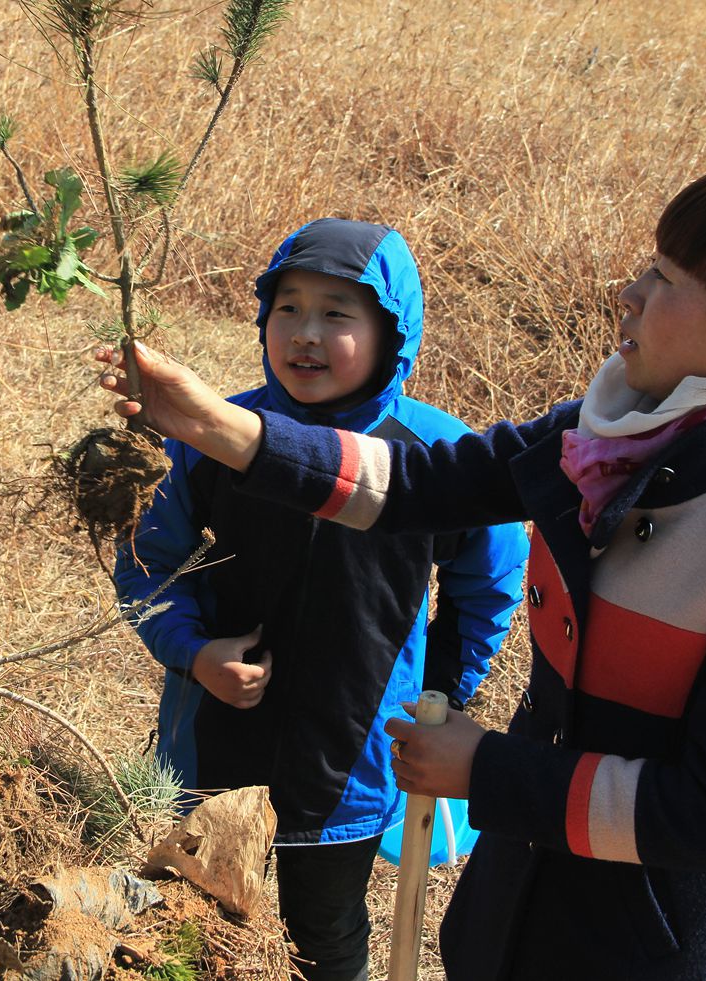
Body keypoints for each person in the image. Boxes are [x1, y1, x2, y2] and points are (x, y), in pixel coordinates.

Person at [98, 158, 706, 981]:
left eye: (666, 277)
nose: (629, 291)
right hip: (517, 914)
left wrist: (486, 768)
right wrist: (211, 423)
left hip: (644, 952)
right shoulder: (609, 438)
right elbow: (418, 481)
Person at [113, 218, 529, 981]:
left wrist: (438, 695)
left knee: (325, 934)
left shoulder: (436, 457)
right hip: (213, 742)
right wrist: (195, 652)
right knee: (188, 921)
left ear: (391, 332)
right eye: (287, 308)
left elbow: (487, 583)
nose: (305, 333)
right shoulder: (214, 433)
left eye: (337, 314)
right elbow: (145, 562)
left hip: (353, 761)